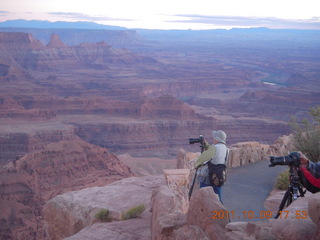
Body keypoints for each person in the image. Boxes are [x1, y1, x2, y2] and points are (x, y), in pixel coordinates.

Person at [194, 130, 228, 203]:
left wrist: (196, 165)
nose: (213, 139)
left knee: (203, 195)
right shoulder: (226, 149)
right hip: (219, 176)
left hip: (209, 175)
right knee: (217, 196)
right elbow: (214, 152)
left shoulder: (214, 148)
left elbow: (203, 158)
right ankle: (219, 210)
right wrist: (205, 144)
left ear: (217, 139)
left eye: (214, 138)